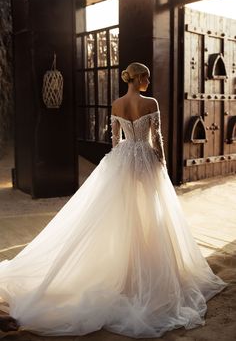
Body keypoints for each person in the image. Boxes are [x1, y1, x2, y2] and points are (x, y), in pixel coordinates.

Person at [0, 62, 226, 338]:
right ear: (140, 78)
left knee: (121, 212)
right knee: (148, 212)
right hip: (144, 158)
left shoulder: (117, 103)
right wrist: (162, 165)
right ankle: (140, 267)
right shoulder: (150, 102)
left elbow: (115, 141)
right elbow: (157, 139)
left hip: (122, 160)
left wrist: (118, 163)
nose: (148, 82)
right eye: (147, 78)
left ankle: (125, 260)